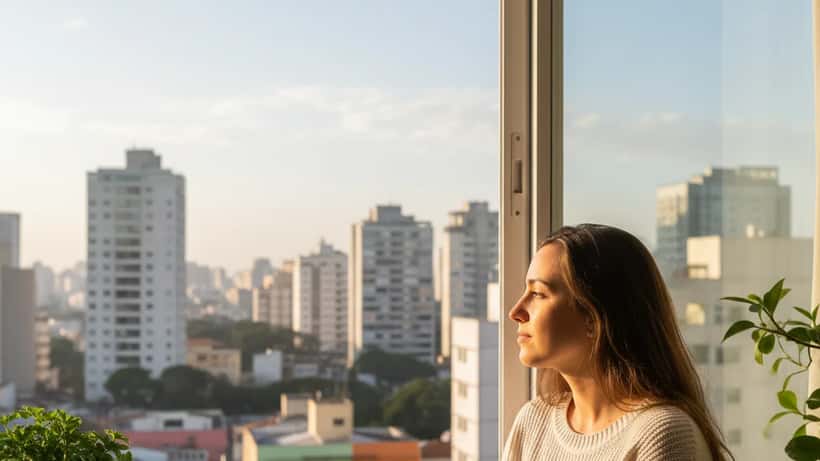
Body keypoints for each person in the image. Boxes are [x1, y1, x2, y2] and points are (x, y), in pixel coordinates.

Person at [503, 224, 731, 461]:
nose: (516, 311)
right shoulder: (533, 422)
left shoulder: (662, 434)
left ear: (594, 318)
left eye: (538, 293)